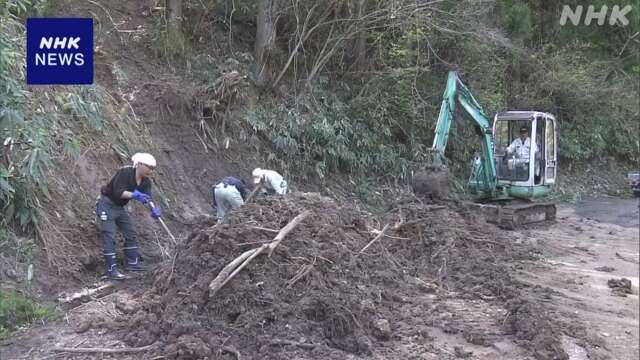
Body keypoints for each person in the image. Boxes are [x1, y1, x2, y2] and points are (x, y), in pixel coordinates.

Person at [96, 153, 161, 280]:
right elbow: (119, 192)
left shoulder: (146, 182)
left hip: (120, 208)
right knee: (109, 235)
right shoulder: (125, 172)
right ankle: (111, 270)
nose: (151, 171)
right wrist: (135, 195)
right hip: (107, 205)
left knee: (130, 232)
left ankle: (132, 263)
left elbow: (148, 198)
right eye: (149, 167)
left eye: (153, 168)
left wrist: (154, 209)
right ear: (140, 165)